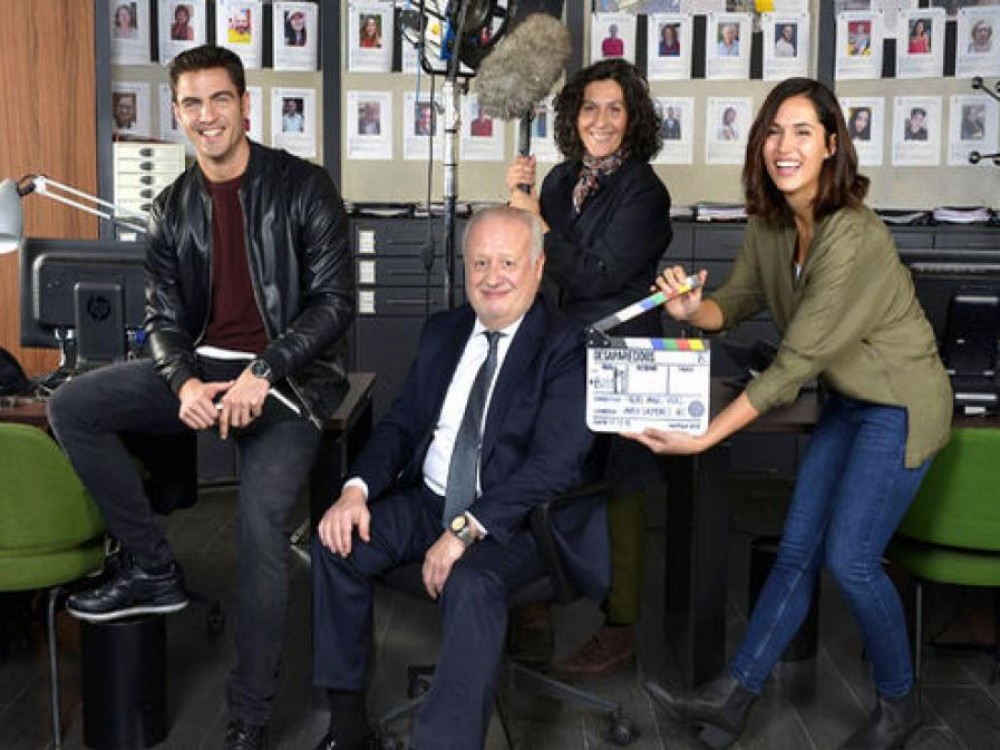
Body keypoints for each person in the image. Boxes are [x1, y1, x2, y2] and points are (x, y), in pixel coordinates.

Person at [47, 45, 354, 750]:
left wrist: (265, 370)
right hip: (206, 370)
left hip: (289, 380)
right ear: (178, 113)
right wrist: (183, 380)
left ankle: (248, 716)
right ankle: (154, 564)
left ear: (246, 106)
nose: (207, 115)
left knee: (260, 530)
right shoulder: (170, 207)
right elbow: (162, 319)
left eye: (220, 99)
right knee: (72, 406)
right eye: (192, 102)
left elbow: (334, 304)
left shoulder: (303, 186)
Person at [638, 77, 951, 750]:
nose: (785, 146)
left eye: (803, 132)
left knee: (852, 560)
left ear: (832, 145)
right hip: (846, 399)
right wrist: (695, 310)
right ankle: (734, 697)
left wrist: (702, 439)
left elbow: (792, 367)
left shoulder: (853, 236)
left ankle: (901, 706)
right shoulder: (772, 221)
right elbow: (739, 298)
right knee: (796, 551)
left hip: (900, 402)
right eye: (774, 131)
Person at [310, 206, 607, 750]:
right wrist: (354, 491)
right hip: (430, 500)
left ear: (538, 267)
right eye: (480, 263)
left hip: (518, 522)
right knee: (336, 542)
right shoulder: (444, 332)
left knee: (472, 583)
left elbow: (554, 465)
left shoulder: (567, 343)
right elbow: (401, 425)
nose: (492, 277)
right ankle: (347, 728)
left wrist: (465, 531)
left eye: (508, 263)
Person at [505, 59, 672, 680]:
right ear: (573, 118)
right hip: (561, 347)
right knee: (542, 463)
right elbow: (531, 258)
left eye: (614, 109)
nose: (600, 121)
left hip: (624, 350)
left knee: (622, 481)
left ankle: (620, 626)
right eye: (589, 108)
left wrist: (536, 221)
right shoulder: (558, 179)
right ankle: (535, 602)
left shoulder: (645, 192)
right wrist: (519, 204)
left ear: (633, 119)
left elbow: (594, 274)